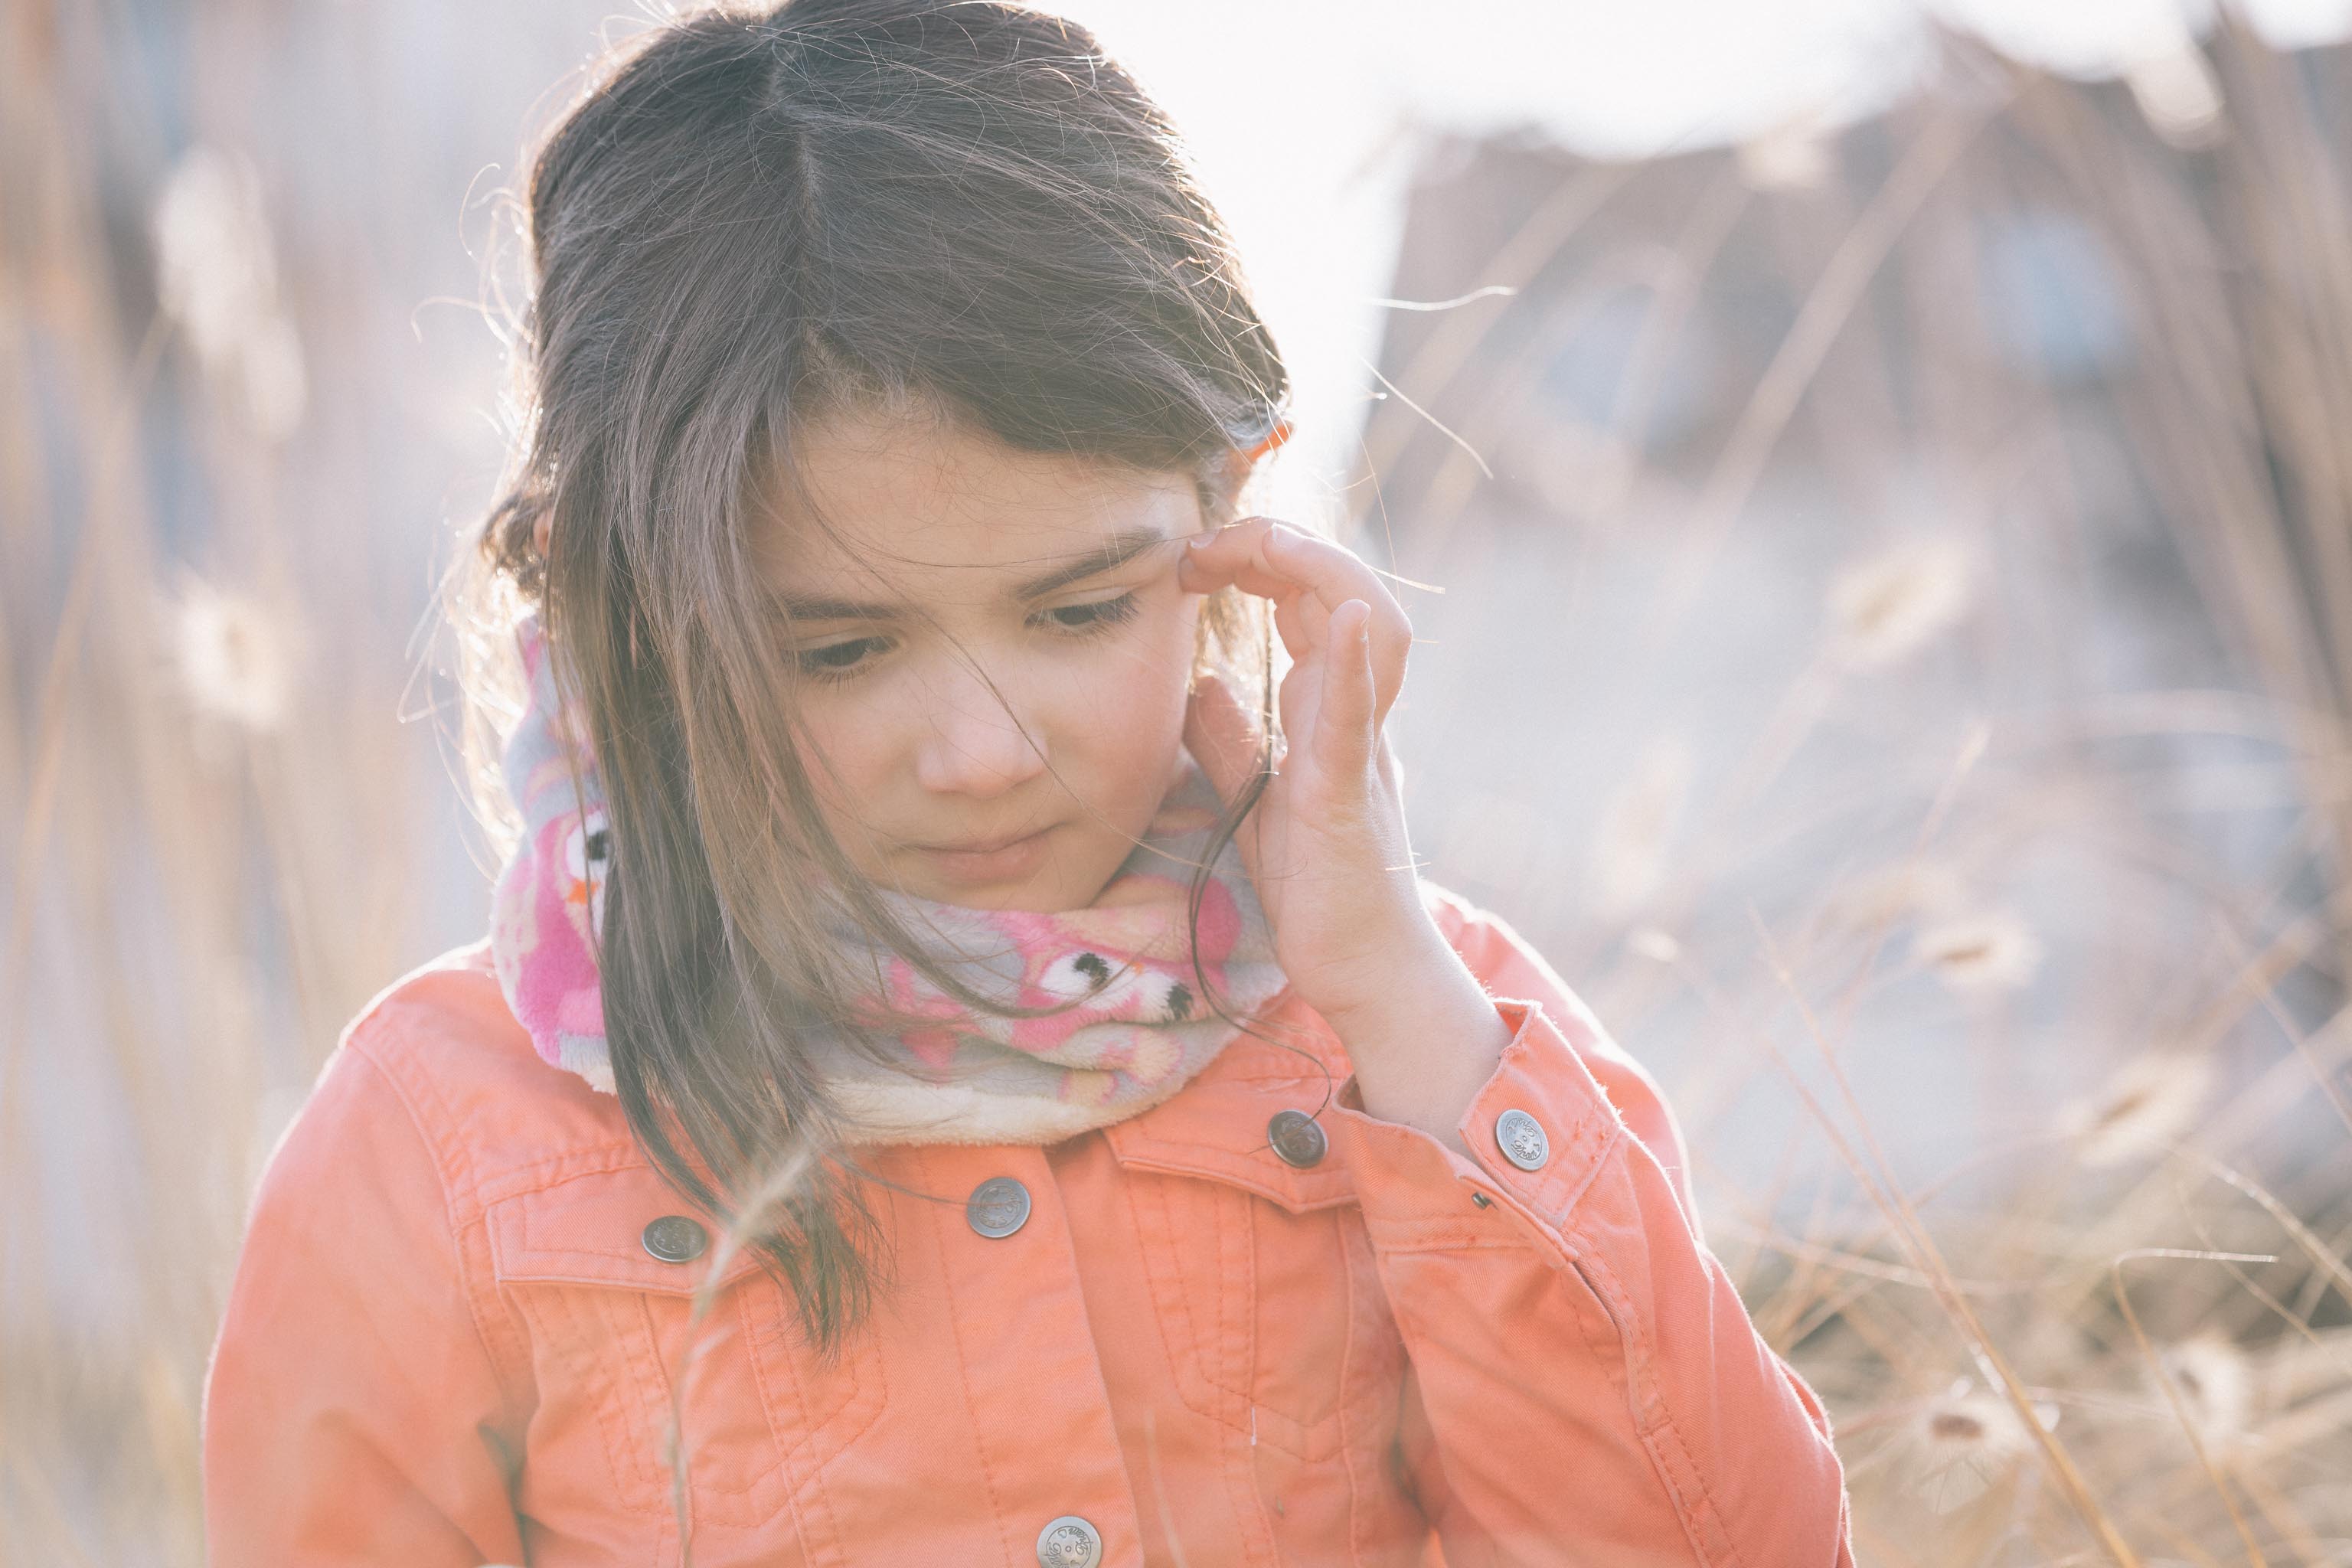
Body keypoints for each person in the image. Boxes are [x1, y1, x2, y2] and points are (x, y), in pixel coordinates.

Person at [200, 2, 1854, 1563]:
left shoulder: (1428, 1040)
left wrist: (1394, 1003)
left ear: (1236, 518)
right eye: (838, 648)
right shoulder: (438, 1143)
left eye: (1077, 610)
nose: (985, 749)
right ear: (622, 606)